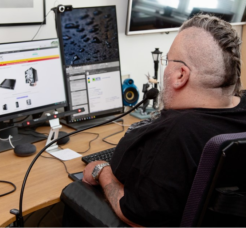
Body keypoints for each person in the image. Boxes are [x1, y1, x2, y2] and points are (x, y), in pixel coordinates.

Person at [81, 14, 246, 227]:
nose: (165, 69)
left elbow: (135, 216)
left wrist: (101, 169)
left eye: (168, 61)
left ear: (181, 75)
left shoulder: (178, 132)